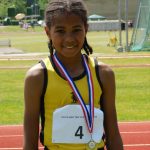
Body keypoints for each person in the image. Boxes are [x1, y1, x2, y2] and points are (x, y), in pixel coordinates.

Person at [23, 0, 124, 150]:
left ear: (86, 29)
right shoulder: (37, 77)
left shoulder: (103, 74)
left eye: (76, 29)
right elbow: (30, 143)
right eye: (60, 31)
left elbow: (113, 134)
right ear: (47, 32)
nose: (69, 39)